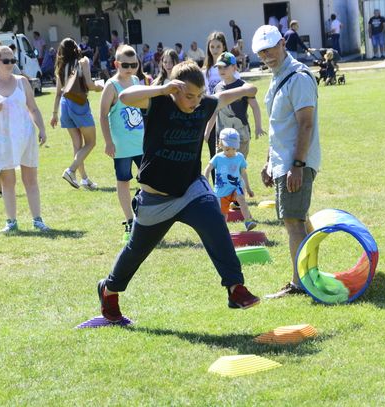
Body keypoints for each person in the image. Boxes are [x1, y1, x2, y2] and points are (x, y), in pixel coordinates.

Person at [96, 60, 261, 322]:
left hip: (190, 190)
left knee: (215, 223)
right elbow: (125, 97)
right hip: (156, 198)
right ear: (174, 89)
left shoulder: (203, 105)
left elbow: (223, 96)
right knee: (136, 251)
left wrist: (246, 89)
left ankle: (235, 287)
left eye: (198, 95)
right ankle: (110, 289)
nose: (194, 101)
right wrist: (160, 89)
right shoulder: (159, 103)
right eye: (188, 95)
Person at [251, 25, 320, 298]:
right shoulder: (277, 76)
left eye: (271, 49)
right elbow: (278, 125)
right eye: (262, 52)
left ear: (283, 43)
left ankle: (299, 284)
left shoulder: (299, 77)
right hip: (283, 162)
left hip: (296, 163)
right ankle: (308, 275)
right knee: (295, 221)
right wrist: (269, 162)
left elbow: (305, 125)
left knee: (293, 222)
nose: (267, 56)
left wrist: (297, 166)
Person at [0, 45, 49, 234]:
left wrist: (41, 129)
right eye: (6, 61)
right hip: (2, 139)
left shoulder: (22, 82)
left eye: (13, 60)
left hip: (26, 136)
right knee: (8, 182)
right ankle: (11, 222)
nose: (10, 64)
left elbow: (33, 108)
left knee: (31, 180)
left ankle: (38, 220)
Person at [99, 45, 144, 244]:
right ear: (116, 64)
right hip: (122, 146)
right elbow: (102, 115)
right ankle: (129, 220)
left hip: (141, 143)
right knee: (123, 181)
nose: (129, 68)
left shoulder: (136, 80)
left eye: (133, 65)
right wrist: (108, 142)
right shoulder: (111, 86)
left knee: (148, 180)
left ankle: (142, 214)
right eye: (125, 65)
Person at [51, 38, 103, 189]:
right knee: (91, 142)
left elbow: (58, 92)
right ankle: (71, 170)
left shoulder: (60, 67)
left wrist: (54, 113)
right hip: (78, 104)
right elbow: (89, 85)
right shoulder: (83, 61)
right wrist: (100, 86)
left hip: (64, 105)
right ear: (75, 48)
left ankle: (84, 179)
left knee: (77, 144)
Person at [205, 51, 265, 159]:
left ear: (234, 67)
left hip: (240, 136)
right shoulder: (217, 88)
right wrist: (207, 131)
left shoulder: (243, 87)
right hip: (221, 138)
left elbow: (255, 106)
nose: (221, 70)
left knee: (237, 168)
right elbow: (214, 112)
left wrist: (258, 127)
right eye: (219, 68)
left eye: (225, 67)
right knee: (222, 169)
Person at [203, 128, 257, 231]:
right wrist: (206, 186)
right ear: (220, 144)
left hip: (236, 186)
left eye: (234, 148)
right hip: (222, 191)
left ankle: (248, 221)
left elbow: (243, 173)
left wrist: (248, 189)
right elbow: (207, 170)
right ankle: (223, 231)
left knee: (242, 200)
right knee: (223, 214)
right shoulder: (218, 158)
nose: (231, 152)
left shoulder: (240, 157)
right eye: (227, 149)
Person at [203, 31, 230, 176]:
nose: (214, 50)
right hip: (210, 117)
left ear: (223, 47)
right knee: (215, 155)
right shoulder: (205, 71)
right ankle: (217, 192)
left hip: (226, 116)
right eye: (212, 47)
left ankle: (232, 191)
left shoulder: (230, 67)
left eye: (218, 47)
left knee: (229, 154)